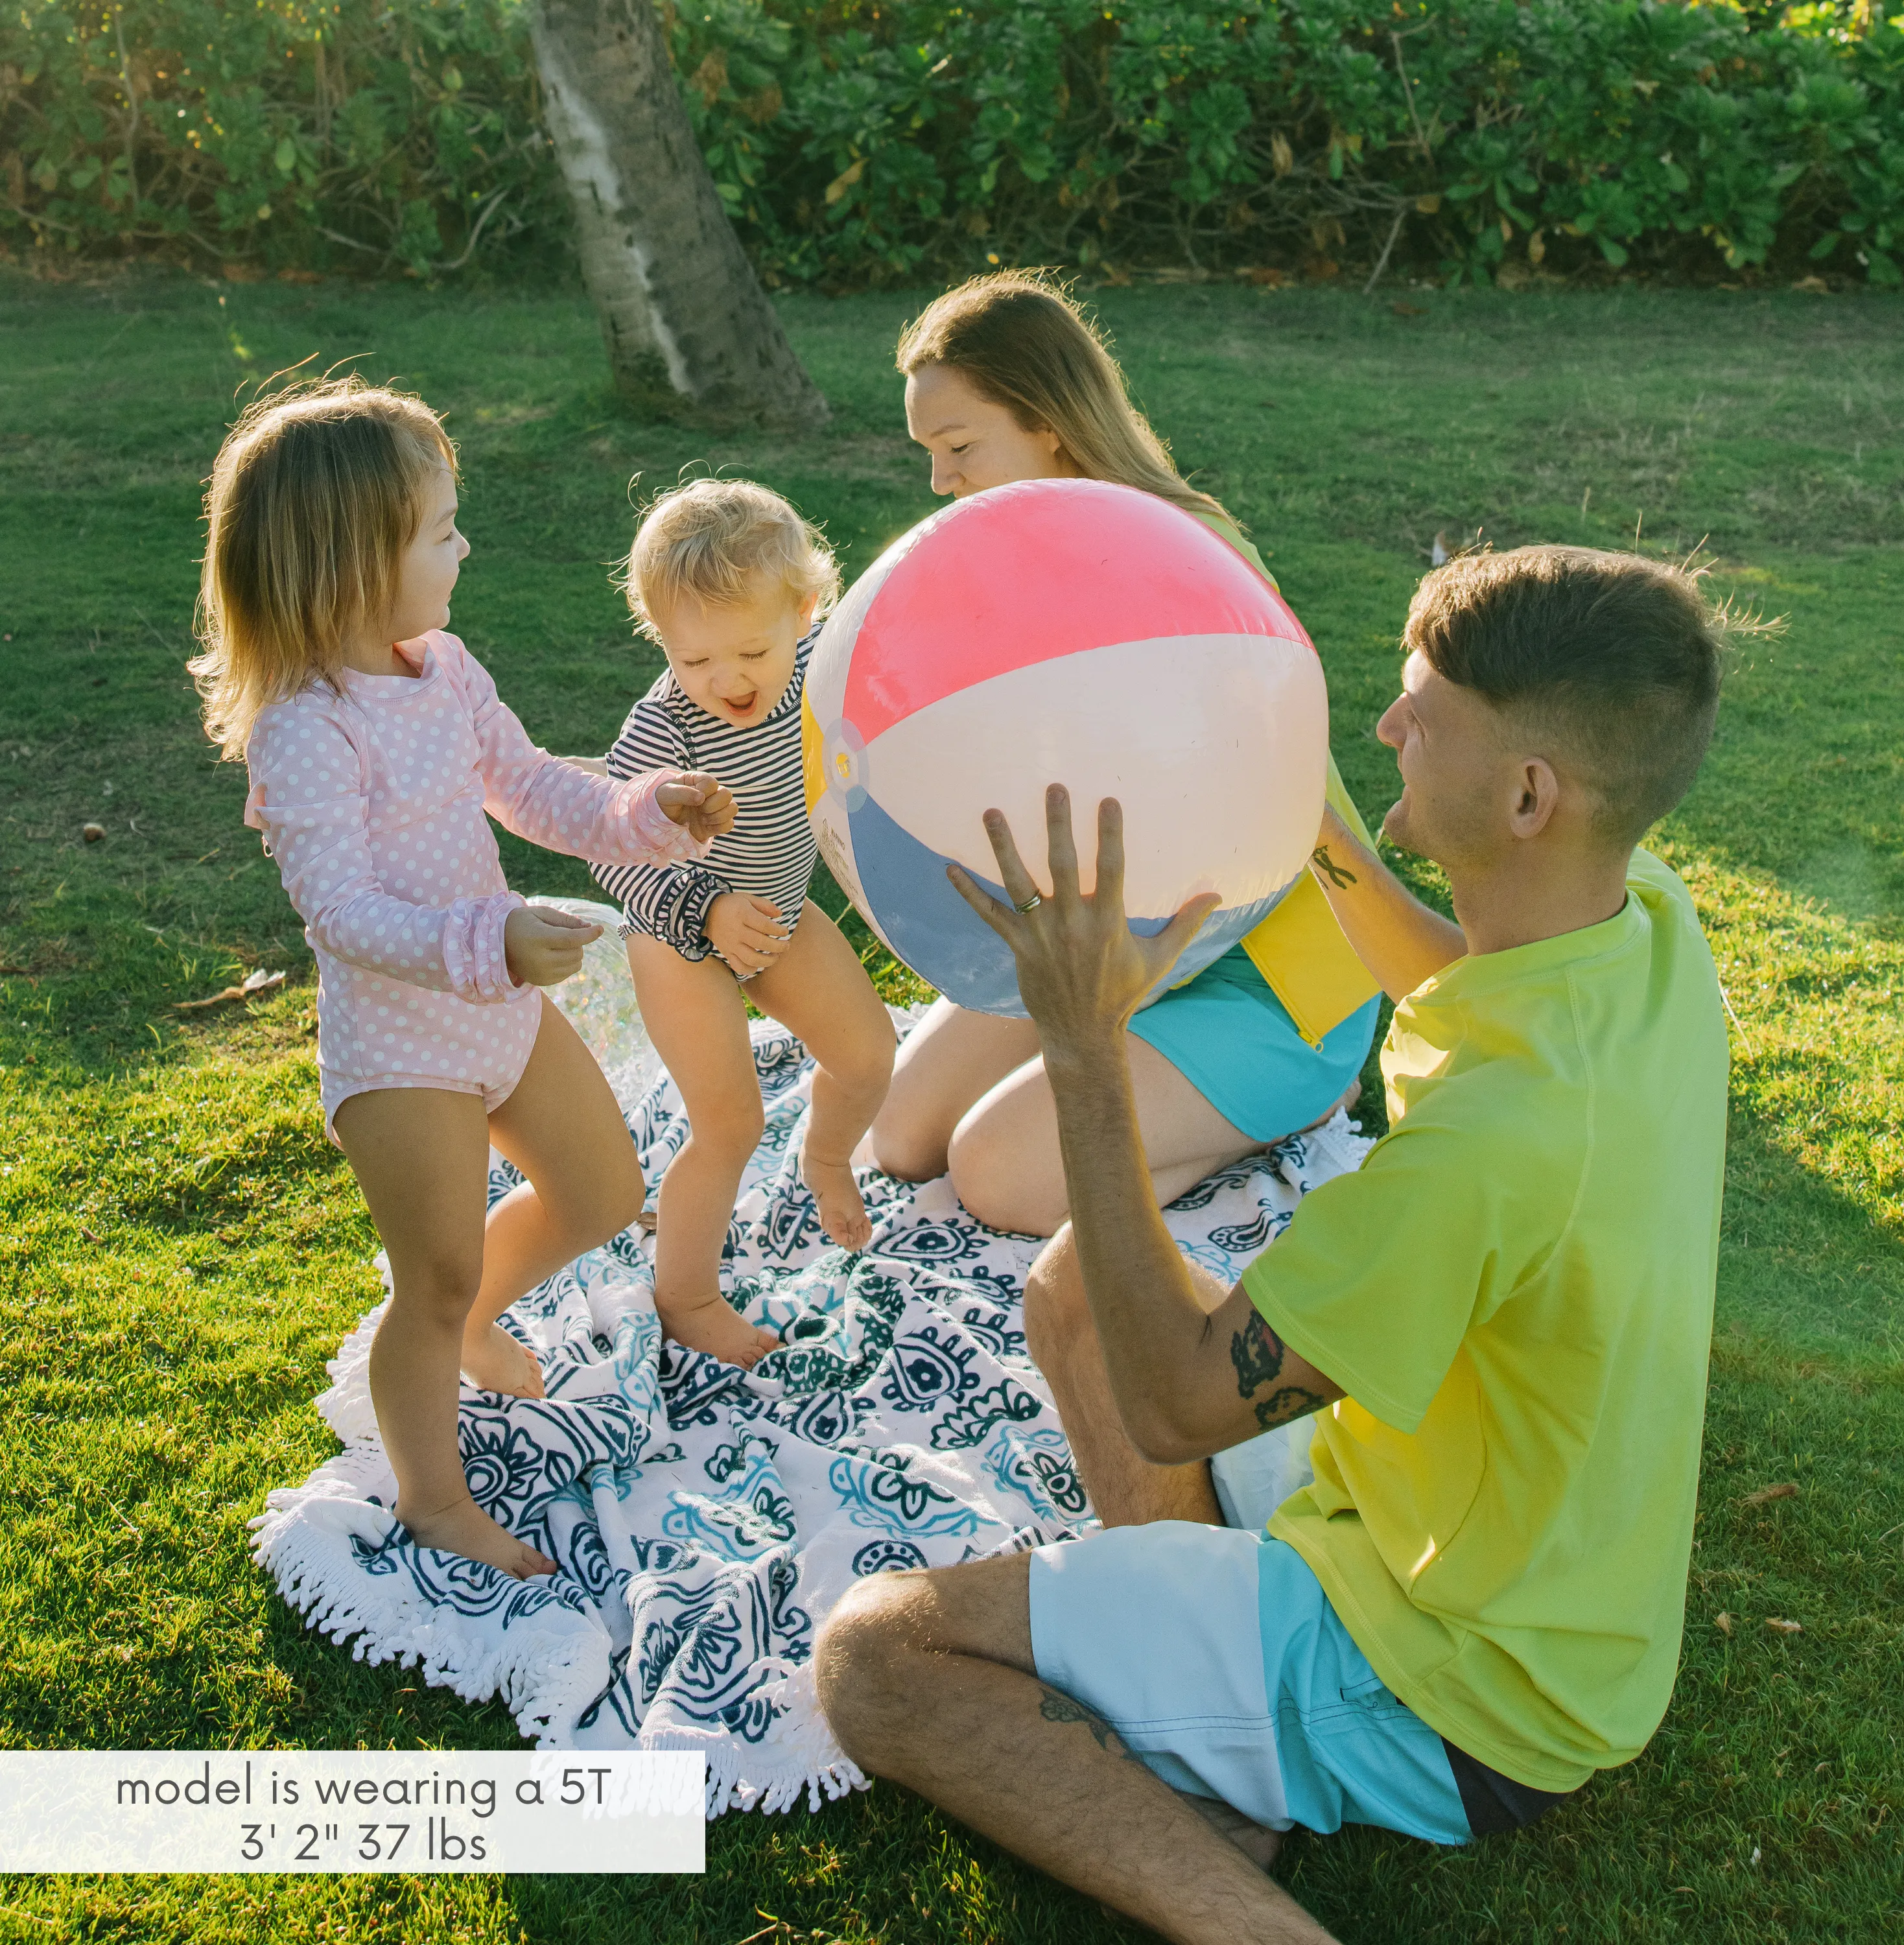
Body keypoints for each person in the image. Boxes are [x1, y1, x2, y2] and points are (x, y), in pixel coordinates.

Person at [816, 545, 1737, 1944]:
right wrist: (1326, 842)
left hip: (1453, 1681)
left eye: (1419, 713)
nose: (1382, 731)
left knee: (877, 1655)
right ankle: (1222, 1740)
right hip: (1509, 1564)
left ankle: (1257, 1915)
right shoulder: (1643, 931)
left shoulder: (1496, 1147)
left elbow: (1176, 1398)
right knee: (1073, 1282)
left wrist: (1080, 1047)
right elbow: (1456, 975)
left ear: (1528, 794)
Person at [191, 378, 732, 1578]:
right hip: (402, 1048)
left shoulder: (440, 666)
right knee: (430, 1282)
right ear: (351, 559)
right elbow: (339, 914)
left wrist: (646, 815)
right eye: (441, 529)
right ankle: (434, 1494)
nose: (464, 545)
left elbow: (530, 784)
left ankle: (481, 1319)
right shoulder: (307, 729)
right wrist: (487, 943)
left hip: (501, 1010)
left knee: (600, 1194)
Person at [868, 270, 1383, 1237]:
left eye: (958, 446)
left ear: (1049, 422)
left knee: (995, 1174)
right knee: (899, 1135)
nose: (938, 481)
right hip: (1107, 940)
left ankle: (1309, 1095)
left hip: (1263, 967)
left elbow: (1262, 807)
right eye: (927, 453)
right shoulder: (1009, 565)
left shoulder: (1187, 550)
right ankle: (1137, 1068)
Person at [576, 480, 897, 1368]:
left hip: (780, 915)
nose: (726, 681)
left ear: (806, 611)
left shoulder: (823, 666)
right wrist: (706, 911)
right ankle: (684, 1294)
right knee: (729, 1127)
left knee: (869, 1056)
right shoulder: (665, 729)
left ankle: (826, 1158)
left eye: (751, 649)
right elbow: (609, 851)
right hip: (681, 936)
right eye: (693, 660)